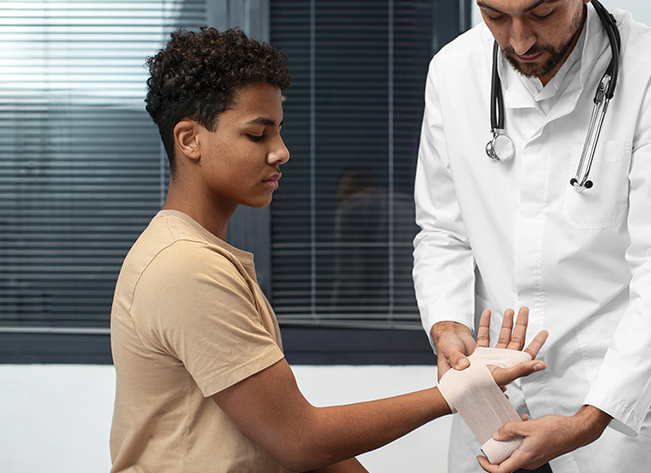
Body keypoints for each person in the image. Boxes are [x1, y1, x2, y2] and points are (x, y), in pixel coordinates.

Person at [108, 26, 548, 473]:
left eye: (279, 131)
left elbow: (280, 435)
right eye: (258, 135)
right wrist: (460, 390)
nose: (281, 151)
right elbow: (299, 440)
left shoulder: (205, 256)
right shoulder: (185, 268)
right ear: (189, 140)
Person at [412, 0, 651, 473]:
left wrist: (591, 419)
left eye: (542, 12)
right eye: (494, 15)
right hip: (493, 370)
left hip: (607, 373)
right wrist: (447, 325)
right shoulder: (453, 71)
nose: (520, 39)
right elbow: (443, 231)